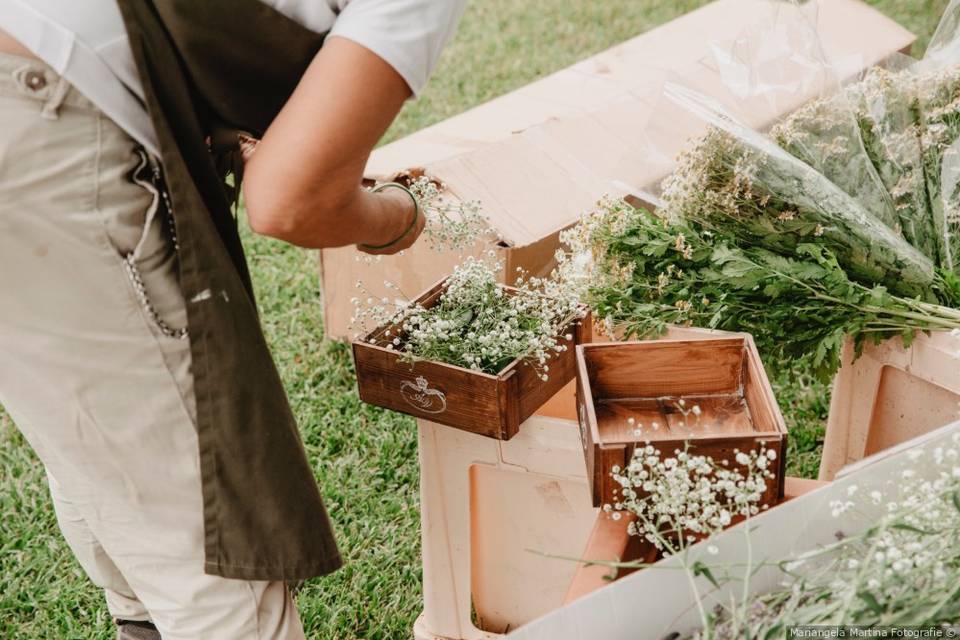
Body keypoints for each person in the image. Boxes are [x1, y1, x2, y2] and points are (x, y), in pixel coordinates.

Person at [0, 1, 465, 638]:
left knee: (95, 421)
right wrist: (397, 219)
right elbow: (289, 202)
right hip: (38, 109)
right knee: (215, 544)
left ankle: (144, 623)